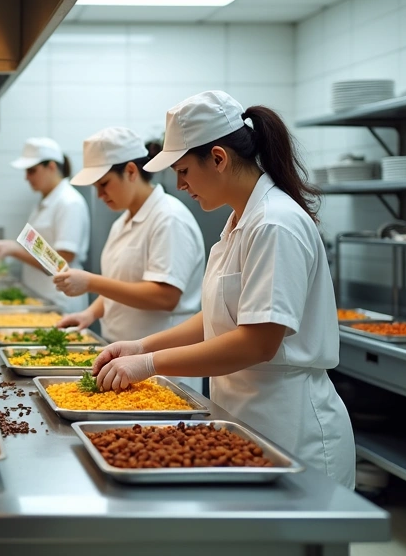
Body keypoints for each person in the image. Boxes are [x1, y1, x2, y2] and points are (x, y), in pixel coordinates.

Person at [90, 91, 355, 487]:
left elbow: (257, 343)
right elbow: (216, 318)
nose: (180, 185)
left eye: (183, 171)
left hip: (290, 425)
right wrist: (143, 346)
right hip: (243, 420)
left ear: (218, 158)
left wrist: (150, 366)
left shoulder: (273, 224)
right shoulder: (237, 223)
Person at [53, 126, 205, 391]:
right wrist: (90, 313)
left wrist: (91, 282)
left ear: (131, 172)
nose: (100, 196)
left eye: (104, 184)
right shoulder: (123, 221)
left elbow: (164, 296)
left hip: (161, 367)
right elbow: (121, 284)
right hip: (121, 359)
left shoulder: (168, 219)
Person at [0, 138, 90, 312]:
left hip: (61, 300)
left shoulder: (69, 202)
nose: (27, 177)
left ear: (51, 167)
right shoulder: (44, 203)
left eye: (32, 171)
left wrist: (15, 250)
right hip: (44, 298)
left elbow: (62, 262)